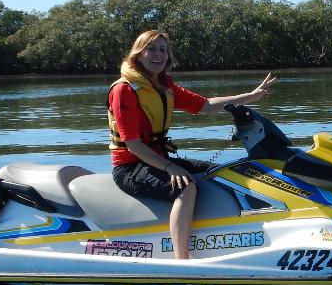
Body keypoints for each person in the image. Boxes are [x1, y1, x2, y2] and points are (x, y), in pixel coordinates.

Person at [108, 29, 275, 259]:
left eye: (163, 50)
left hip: (157, 160)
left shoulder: (164, 87)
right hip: (129, 168)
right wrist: (170, 167)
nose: (158, 55)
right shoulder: (124, 90)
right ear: (138, 53)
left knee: (219, 172)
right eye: (152, 49)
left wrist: (251, 95)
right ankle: (182, 260)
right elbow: (134, 145)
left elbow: (206, 104)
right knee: (185, 188)